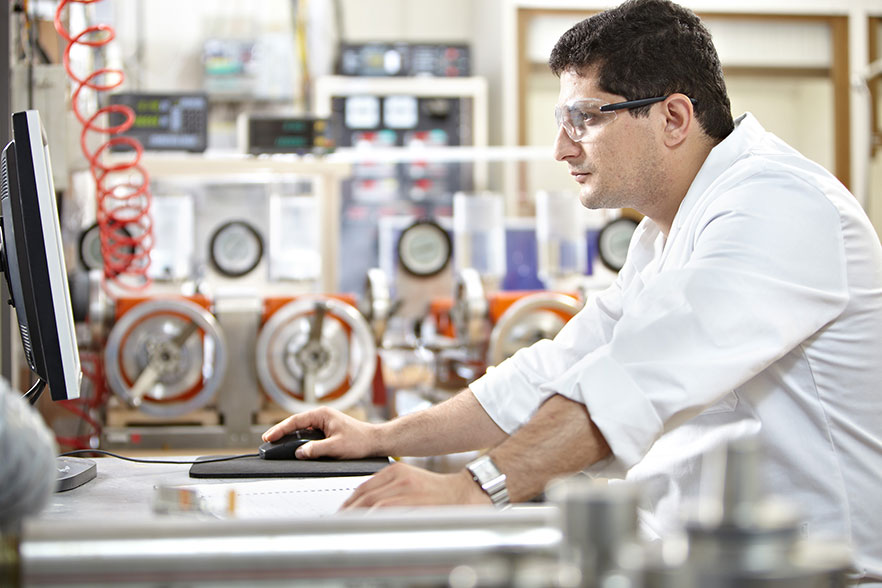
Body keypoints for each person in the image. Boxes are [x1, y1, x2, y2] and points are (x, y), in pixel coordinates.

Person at [264, 0, 882, 583]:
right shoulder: (662, 233)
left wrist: (476, 488)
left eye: (583, 118)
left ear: (672, 117)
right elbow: (556, 369)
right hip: (697, 563)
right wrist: (381, 437)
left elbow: (636, 380)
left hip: (810, 572)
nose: (562, 148)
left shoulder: (779, 206)